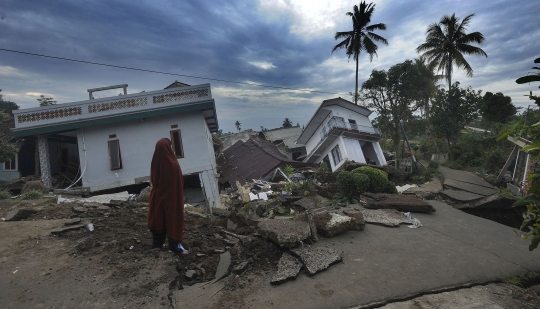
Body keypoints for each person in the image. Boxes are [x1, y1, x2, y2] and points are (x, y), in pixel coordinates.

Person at [147, 138, 189, 255]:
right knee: (173, 220)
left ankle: (157, 244)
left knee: (158, 219)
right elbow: (178, 183)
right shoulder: (173, 164)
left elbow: (154, 180)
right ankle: (175, 247)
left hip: (158, 197)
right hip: (172, 198)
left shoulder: (155, 162)